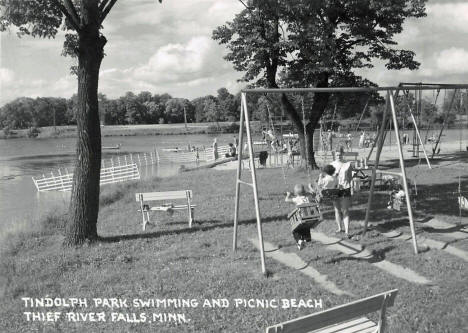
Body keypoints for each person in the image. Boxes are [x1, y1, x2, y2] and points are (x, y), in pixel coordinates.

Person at [330, 147, 354, 237]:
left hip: (345, 189)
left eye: (340, 154)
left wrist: (352, 188)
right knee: (336, 209)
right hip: (335, 189)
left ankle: (347, 231)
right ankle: (340, 228)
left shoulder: (347, 164)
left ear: (342, 154)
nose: (338, 156)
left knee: (345, 210)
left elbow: (351, 178)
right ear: (334, 155)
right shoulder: (331, 165)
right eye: (336, 154)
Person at [285, 184, 313, 250]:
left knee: (295, 230)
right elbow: (311, 194)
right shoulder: (308, 197)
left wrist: (288, 195)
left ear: (295, 193)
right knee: (306, 226)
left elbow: (286, 200)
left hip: (301, 218)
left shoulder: (297, 199)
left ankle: (299, 241)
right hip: (310, 217)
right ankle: (307, 238)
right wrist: (309, 188)